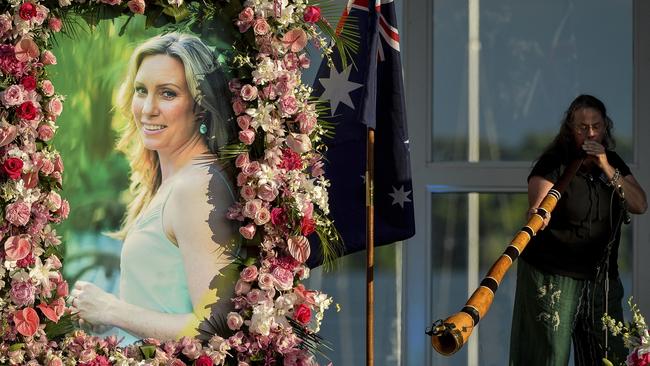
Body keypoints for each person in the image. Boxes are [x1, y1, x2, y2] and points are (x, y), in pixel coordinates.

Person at [68, 33, 239, 344]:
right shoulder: (171, 182)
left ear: (200, 106)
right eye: (141, 90)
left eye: (168, 94)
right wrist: (107, 318)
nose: (148, 109)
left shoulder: (196, 187)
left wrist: (112, 310)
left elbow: (212, 329)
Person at [509, 94, 647, 365]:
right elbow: (538, 208)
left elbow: (640, 204)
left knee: (610, 357)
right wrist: (538, 213)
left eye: (596, 126)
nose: (590, 133)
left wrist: (606, 166)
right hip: (553, 277)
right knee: (550, 357)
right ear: (570, 128)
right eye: (583, 127)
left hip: (601, 280)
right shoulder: (554, 162)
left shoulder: (614, 162)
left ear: (605, 127)